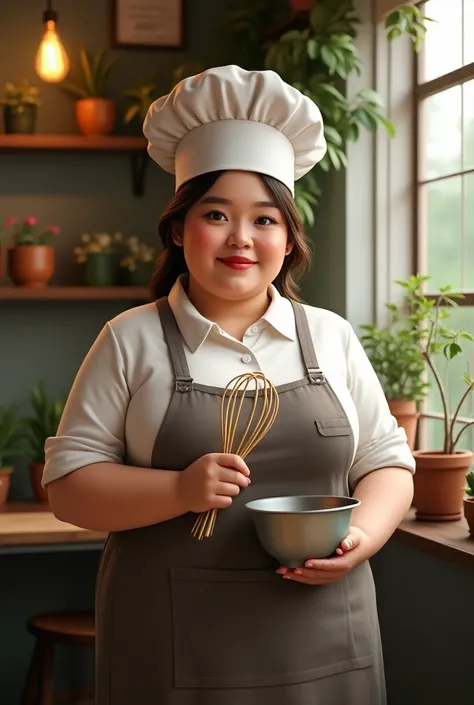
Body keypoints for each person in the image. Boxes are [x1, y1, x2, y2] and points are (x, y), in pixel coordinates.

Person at [43, 65, 415, 705]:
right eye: (216, 214)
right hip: (173, 647)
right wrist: (180, 488)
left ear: (288, 237)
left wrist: (360, 541)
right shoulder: (130, 339)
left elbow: (387, 463)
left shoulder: (331, 336)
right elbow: (70, 488)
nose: (242, 238)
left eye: (266, 219)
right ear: (180, 228)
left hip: (328, 637)